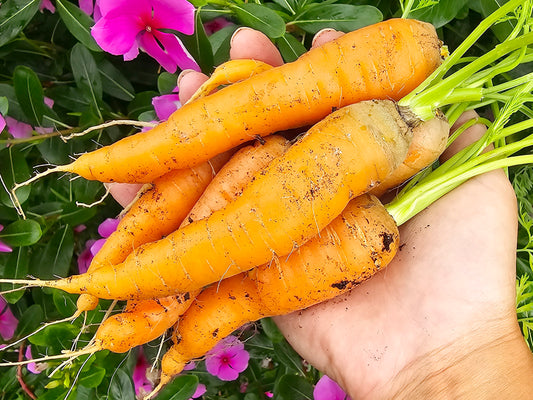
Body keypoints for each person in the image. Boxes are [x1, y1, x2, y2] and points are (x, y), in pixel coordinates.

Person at [110, 28, 533, 399]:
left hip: (370, 178)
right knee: (260, 112)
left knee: (227, 225)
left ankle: (108, 281)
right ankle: (107, 280)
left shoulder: (392, 156)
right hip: (364, 131)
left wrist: (463, 358)